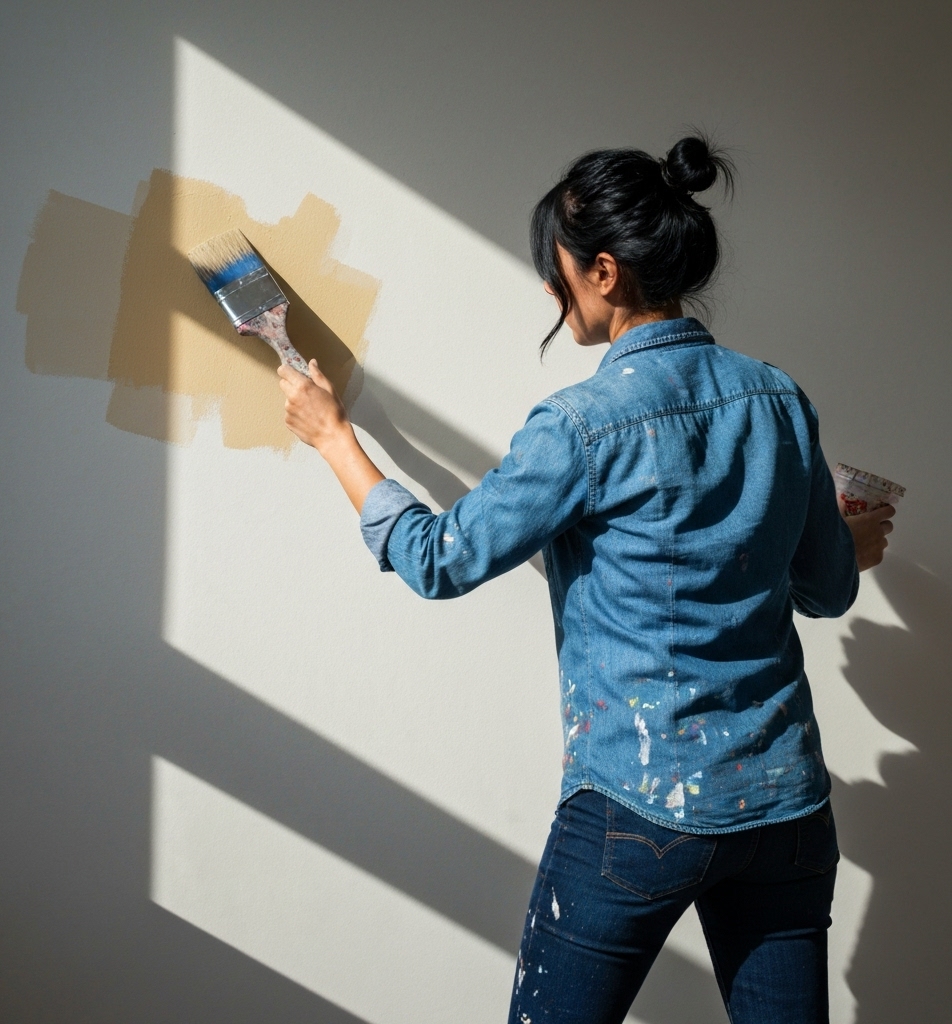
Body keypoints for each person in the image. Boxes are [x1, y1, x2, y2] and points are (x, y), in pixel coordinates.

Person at [276, 134, 896, 1024]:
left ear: (603, 271)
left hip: (639, 807)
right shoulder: (778, 398)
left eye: (556, 266)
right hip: (785, 811)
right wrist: (839, 540)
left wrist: (334, 437)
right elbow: (827, 590)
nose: (548, 287)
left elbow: (438, 559)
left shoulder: (582, 424)